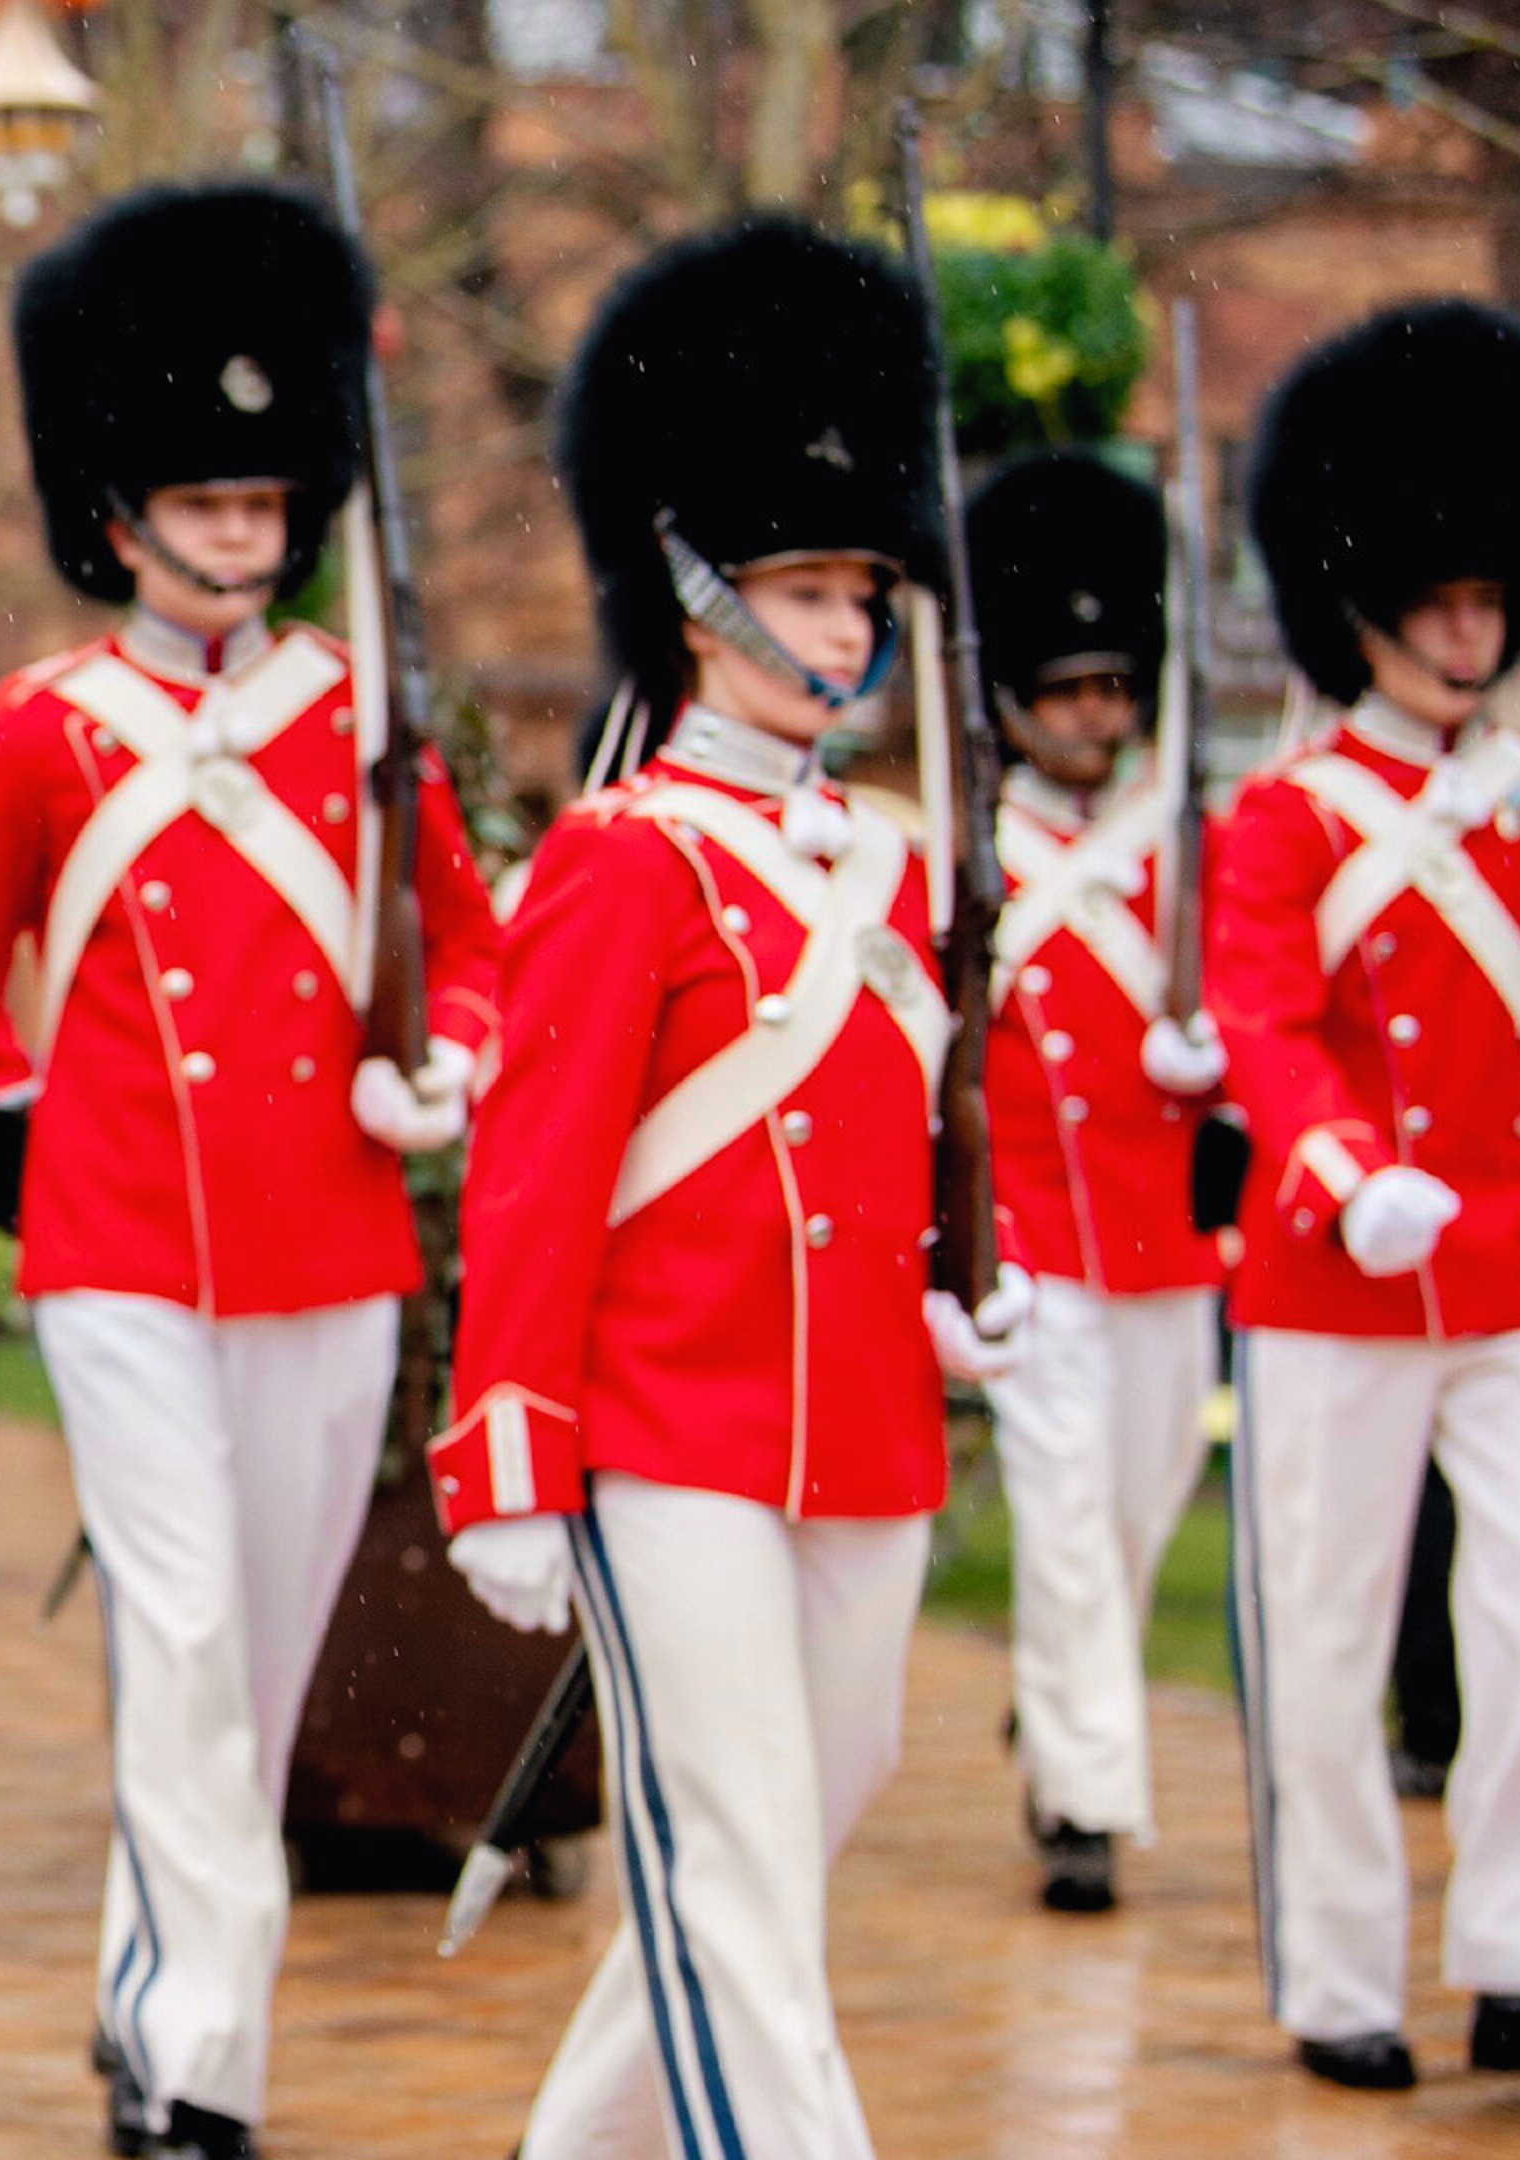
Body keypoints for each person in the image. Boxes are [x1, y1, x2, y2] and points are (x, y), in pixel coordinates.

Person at [0, 183, 504, 2160]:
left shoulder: (366, 723)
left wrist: (448, 1066)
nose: (241, 534)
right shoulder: (43, 731)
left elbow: (468, 943)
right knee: (190, 1640)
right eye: (202, 504)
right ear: (121, 515)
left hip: (332, 1242)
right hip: (125, 1246)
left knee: (259, 1673)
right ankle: (210, 2058)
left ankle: (155, 1999)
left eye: (263, 502)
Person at [436, 217, 1032, 2160]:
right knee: (745, 1880)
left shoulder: (884, 852)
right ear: (695, 597)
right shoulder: (620, 856)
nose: (848, 629)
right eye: (803, 587)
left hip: (857, 1422)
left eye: (863, 589)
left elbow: (911, 1122)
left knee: (773, 1834)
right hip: (664, 1427)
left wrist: (961, 1282)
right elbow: (538, 1176)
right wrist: (507, 1450)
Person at [1212, 297, 1520, 2092]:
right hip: (1341, 1278)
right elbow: (1263, 1020)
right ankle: (1339, 1980)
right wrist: (1338, 1174)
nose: (1473, 631)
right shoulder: (1290, 818)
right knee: (1325, 1642)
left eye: (1492, 603)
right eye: (1445, 602)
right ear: (1372, 606)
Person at [959, 451, 1229, 1914]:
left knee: (1133, 1513)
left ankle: (1066, 1701)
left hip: (1166, 1235)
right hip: (1038, 1238)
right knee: (1064, 1513)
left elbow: (1254, 1000)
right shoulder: (970, 853)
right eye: (1064, 689)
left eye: (1112, 688)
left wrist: (1218, 1047)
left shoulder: (1181, 855)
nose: (1093, 716)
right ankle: (1080, 1801)